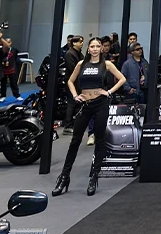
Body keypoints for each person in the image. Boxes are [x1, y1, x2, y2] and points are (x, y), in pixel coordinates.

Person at [54, 37, 126, 197]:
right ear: (88, 49)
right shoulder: (81, 64)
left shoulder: (106, 64)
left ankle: (94, 177)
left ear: (101, 48)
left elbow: (122, 79)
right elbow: (70, 81)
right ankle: (64, 177)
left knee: (99, 140)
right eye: (92, 46)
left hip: (100, 104)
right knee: (75, 141)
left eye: (97, 46)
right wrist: (75, 95)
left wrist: (108, 92)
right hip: (85, 105)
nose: (94, 49)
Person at [62, 36, 84, 134]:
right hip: (71, 81)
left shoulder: (78, 53)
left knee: (76, 102)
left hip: (78, 81)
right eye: (80, 42)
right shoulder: (70, 53)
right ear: (74, 43)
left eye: (82, 41)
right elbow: (72, 68)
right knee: (72, 102)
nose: (82, 43)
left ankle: (73, 123)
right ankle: (67, 125)